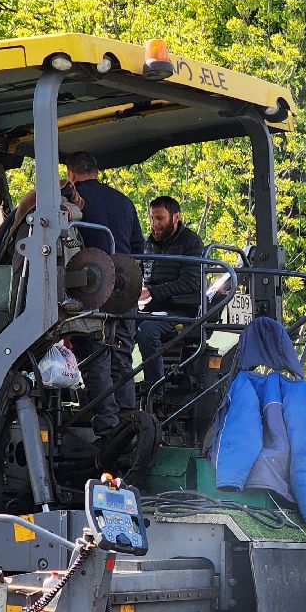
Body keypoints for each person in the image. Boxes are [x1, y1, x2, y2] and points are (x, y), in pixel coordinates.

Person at [63, 151, 145, 435]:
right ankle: (128, 423)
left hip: (91, 289)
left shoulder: (72, 203)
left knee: (95, 356)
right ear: (96, 171)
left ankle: (108, 428)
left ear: (71, 175)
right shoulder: (124, 201)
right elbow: (138, 247)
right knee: (122, 356)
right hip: (125, 288)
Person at [135, 196, 205, 389]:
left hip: (181, 310)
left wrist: (152, 292)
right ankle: (119, 386)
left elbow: (190, 282)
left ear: (175, 217)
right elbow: (138, 273)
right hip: (151, 308)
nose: (154, 224)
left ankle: (155, 388)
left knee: (147, 331)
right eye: (151, 218)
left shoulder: (191, 242)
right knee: (119, 327)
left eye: (160, 219)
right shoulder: (147, 244)